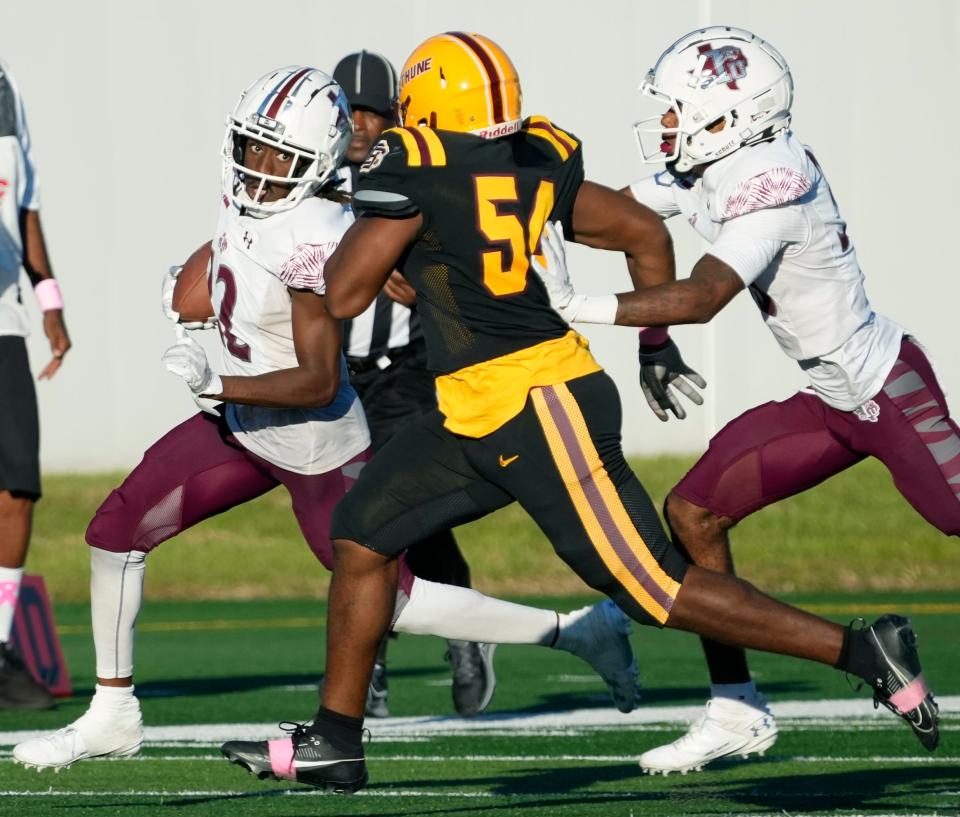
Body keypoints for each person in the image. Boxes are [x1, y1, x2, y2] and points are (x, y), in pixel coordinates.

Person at [219, 32, 938, 796]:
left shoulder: (418, 171)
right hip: (472, 409)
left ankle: (865, 651)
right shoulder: (530, 156)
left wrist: (346, 215)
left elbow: (341, 294)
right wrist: (654, 345)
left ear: (428, 106)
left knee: (654, 589)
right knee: (362, 533)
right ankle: (336, 739)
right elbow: (640, 230)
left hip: (537, 404)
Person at [12, 65, 641, 772]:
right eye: (250, 147)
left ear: (312, 164)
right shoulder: (257, 193)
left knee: (387, 598)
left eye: (276, 156)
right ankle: (112, 711)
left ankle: (576, 631)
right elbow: (230, 238)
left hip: (313, 441)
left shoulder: (318, 234)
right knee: (116, 528)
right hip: (245, 422)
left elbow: (315, 382)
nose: (258, 166)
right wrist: (191, 285)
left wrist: (219, 376)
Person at [530, 26, 955, 775]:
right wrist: (506, 206)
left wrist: (575, 304)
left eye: (677, 109)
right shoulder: (716, 164)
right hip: (829, 402)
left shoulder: (773, 180)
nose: (665, 124)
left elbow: (699, 297)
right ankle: (736, 705)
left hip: (886, 386)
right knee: (694, 511)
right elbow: (617, 213)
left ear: (731, 116)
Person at [331, 50, 492, 719]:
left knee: (396, 515)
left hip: (405, 373)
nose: (364, 124)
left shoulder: (413, 169)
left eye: (377, 111)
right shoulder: (311, 177)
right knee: (344, 523)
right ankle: (373, 658)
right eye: (353, 110)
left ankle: (459, 627)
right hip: (337, 379)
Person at [0, 57, 72, 710]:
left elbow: (25, 207)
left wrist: (49, 300)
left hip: (5, 320)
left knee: (19, 485)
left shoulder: (7, 90)